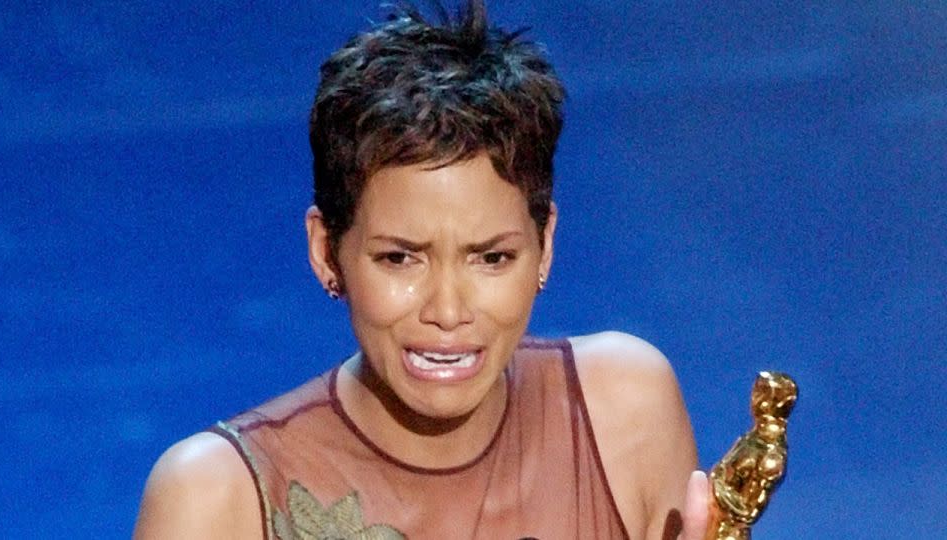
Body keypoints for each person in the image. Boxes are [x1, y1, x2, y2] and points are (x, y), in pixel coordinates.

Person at [134, 1, 710, 538]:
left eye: (492, 258)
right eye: (400, 258)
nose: (448, 312)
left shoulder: (625, 413)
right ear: (325, 250)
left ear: (545, 245)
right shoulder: (215, 500)